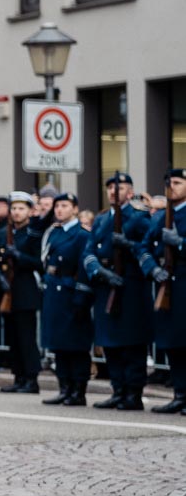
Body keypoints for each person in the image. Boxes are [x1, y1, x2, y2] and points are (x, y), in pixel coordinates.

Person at [83, 172, 153, 410]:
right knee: (110, 342)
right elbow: (89, 251)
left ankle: (133, 392)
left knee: (132, 342)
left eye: (120, 188)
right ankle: (118, 389)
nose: (114, 191)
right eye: (110, 188)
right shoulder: (102, 220)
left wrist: (129, 245)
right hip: (107, 286)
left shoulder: (139, 217)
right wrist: (100, 273)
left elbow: (149, 248)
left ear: (130, 192)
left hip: (130, 285)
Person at [135, 169, 186, 414]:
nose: (172, 187)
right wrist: (153, 269)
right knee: (173, 344)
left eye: (177, 182)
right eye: (169, 182)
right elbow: (143, 248)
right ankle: (180, 394)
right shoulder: (160, 218)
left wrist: (181, 243)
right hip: (168, 288)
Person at [39, 192, 93, 406]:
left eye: (64, 205)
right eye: (57, 206)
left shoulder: (81, 235)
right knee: (59, 345)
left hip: (72, 291)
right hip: (54, 292)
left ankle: (78, 391)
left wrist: (81, 295)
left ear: (75, 209)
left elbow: (83, 267)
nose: (59, 210)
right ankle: (64, 388)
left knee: (76, 346)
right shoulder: (54, 233)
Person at [0, 192, 43, 394]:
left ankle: (31, 378)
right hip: (9, 290)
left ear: (29, 211)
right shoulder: (7, 233)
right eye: (14, 209)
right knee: (13, 338)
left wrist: (18, 256)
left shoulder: (33, 234)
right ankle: (18, 376)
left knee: (26, 337)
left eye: (21, 209)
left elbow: (38, 262)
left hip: (26, 289)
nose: (17, 213)